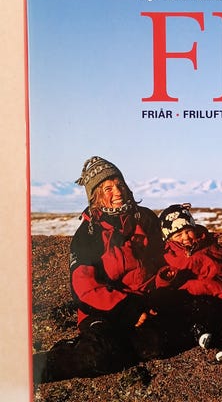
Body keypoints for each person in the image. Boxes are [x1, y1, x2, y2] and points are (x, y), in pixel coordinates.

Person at [33, 156, 165, 383]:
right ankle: (34, 366)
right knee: (98, 355)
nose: (118, 192)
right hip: (103, 311)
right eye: (108, 188)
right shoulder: (88, 234)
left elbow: (162, 261)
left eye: (120, 184)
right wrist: (130, 310)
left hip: (144, 305)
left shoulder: (146, 219)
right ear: (95, 196)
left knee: (155, 345)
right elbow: (84, 289)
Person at [155, 203, 222, 361]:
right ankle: (203, 331)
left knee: (218, 309)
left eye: (188, 231)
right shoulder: (168, 255)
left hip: (215, 294)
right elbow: (163, 283)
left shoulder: (209, 246)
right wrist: (166, 278)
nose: (186, 237)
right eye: (178, 235)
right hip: (190, 298)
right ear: (169, 238)